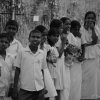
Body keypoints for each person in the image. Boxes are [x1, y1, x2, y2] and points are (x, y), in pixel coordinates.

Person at [12, 29, 57, 100]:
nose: (35, 39)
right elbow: (17, 70)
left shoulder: (42, 53)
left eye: (38, 37)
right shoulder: (22, 52)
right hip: (25, 89)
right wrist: (15, 88)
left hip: (39, 89)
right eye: (33, 37)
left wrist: (44, 87)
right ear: (29, 38)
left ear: (41, 39)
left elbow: (42, 71)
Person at [80, 11, 100, 100]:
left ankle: (92, 95)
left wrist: (92, 29)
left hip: (94, 55)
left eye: (92, 18)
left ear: (95, 19)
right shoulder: (80, 29)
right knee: (83, 76)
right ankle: (82, 95)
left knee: (93, 76)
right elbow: (81, 43)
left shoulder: (96, 28)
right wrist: (89, 44)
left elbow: (96, 40)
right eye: (88, 18)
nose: (90, 20)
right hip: (84, 54)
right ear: (85, 19)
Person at [4, 19, 23, 98]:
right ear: (5, 28)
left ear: (17, 31)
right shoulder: (1, 41)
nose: (11, 30)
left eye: (14, 29)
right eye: (9, 28)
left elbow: (20, 64)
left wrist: (15, 85)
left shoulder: (18, 45)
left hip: (13, 79)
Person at [69, 20, 83, 100]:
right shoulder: (69, 37)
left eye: (78, 29)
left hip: (78, 64)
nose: (76, 31)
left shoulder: (79, 38)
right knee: (71, 82)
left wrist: (81, 56)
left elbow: (82, 47)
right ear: (70, 29)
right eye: (74, 29)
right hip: (71, 63)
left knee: (77, 82)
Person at [0, 33, 11, 100]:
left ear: (8, 45)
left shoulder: (11, 57)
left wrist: (12, 87)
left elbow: (12, 72)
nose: (3, 44)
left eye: (6, 42)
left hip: (6, 89)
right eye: (1, 41)